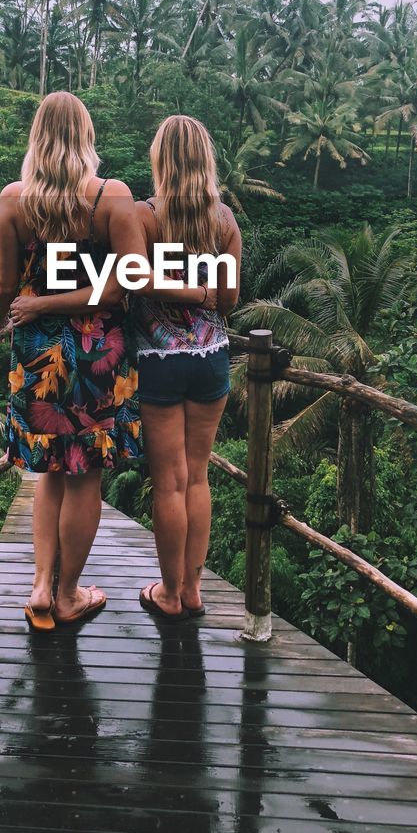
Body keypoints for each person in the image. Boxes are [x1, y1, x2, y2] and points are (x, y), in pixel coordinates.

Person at [0, 92, 145, 630]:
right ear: (85, 136)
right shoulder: (110, 198)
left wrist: (0, 323)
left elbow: (5, 287)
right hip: (97, 350)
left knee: (48, 476)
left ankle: (39, 587)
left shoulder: (14, 200)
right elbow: (128, 281)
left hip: (36, 353)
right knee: (85, 477)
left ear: (36, 137)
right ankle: (69, 594)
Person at [133, 115, 242, 620]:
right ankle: (194, 590)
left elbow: (134, 278)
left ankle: (169, 594)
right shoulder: (224, 221)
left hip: (158, 358)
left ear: (161, 160)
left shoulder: (147, 215)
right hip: (212, 356)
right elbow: (229, 299)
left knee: (169, 482)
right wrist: (203, 292)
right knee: (198, 477)